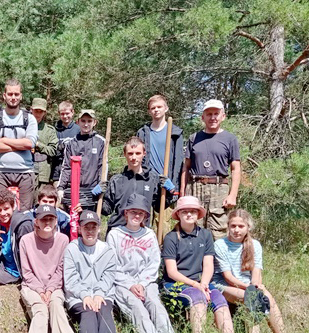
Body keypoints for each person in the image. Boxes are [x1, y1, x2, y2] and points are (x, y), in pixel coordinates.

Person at [213, 209, 293, 333]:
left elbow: (256, 272)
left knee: (267, 298)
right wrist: (250, 289)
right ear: (228, 226)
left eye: (241, 226)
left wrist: (255, 285)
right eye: (233, 226)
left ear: (248, 227)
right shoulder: (220, 244)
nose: (236, 230)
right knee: (250, 297)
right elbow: (228, 276)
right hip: (225, 285)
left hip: (248, 285)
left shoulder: (254, 245)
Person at [107, 194, 181, 333]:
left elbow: (154, 263)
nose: (136, 216)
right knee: (137, 308)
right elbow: (112, 265)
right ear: (125, 213)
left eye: (140, 213)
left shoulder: (149, 234)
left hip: (146, 282)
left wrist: (141, 283)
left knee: (155, 305)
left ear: (145, 216)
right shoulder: (114, 234)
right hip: (122, 283)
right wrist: (131, 284)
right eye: (133, 212)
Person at [162, 196, 236, 333]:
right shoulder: (171, 238)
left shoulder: (205, 235)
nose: (189, 215)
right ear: (179, 214)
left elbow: (208, 264)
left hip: (201, 281)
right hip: (176, 284)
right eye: (185, 211)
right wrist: (196, 285)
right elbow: (172, 271)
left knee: (219, 300)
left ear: (198, 214)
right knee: (197, 298)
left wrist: (203, 283)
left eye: (192, 211)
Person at [19, 205, 79, 333]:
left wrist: (50, 290)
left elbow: (61, 269)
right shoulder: (25, 241)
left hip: (54, 286)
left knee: (56, 306)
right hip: (32, 286)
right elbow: (27, 272)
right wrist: (40, 291)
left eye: (51, 219)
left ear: (56, 221)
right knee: (40, 309)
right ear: (36, 221)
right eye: (43, 219)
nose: (47, 222)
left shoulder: (63, 240)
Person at [180, 99, 241, 239]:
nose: (212, 117)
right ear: (203, 117)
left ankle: (217, 261)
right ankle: (194, 260)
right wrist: (183, 193)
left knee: (218, 231)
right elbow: (186, 167)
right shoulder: (193, 138)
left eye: (216, 114)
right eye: (209, 114)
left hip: (219, 189)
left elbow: (235, 168)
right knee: (192, 228)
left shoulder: (230, 139)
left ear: (223, 116)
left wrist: (233, 195)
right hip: (195, 188)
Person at [64, 211, 118, 333]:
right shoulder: (72, 249)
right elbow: (70, 278)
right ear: (80, 229)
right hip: (78, 296)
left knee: (104, 310)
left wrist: (99, 293)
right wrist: (85, 295)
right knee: (88, 312)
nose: (90, 232)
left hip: (103, 293)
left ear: (99, 229)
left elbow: (109, 275)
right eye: (86, 228)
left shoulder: (107, 250)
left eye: (93, 227)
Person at [0, 79, 38, 210]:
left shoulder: (30, 119)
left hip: (25, 172)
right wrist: (19, 145)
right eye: (10, 94)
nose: (13, 98)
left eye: (16, 94)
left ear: (21, 96)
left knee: (25, 215)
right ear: (4, 96)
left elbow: (29, 143)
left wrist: (3, 140)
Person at [136, 94, 184, 238]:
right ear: (149, 111)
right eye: (153, 108)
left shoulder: (175, 133)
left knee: (163, 226)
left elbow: (179, 161)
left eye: (159, 107)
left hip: (166, 185)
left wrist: (174, 185)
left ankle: (163, 257)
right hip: (146, 182)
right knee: (142, 222)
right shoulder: (143, 132)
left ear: (166, 108)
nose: (156, 110)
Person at [102, 137, 158, 234]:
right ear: (125, 154)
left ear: (144, 153)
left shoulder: (152, 179)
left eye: (138, 153)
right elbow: (107, 210)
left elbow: (158, 206)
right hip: (118, 231)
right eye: (130, 153)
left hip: (141, 233)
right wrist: (97, 197)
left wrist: (168, 193)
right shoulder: (117, 180)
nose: (134, 157)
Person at [57, 110, 106, 211]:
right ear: (78, 122)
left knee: (88, 223)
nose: (86, 124)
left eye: (89, 121)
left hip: (91, 192)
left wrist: (102, 183)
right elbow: (66, 166)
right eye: (83, 121)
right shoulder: (71, 143)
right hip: (73, 190)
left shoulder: (100, 142)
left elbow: (103, 166)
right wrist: (61, 187)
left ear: (94, 122)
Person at [30, 98, 58, 189]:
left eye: (40, 111)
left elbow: (53, 150)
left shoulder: (49, 131)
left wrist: (38, 145)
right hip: (26, 171)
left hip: (43, 173)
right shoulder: (24, 127)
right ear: (31, 110)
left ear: (44, 112)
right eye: (36, 111)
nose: (38, 114)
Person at [52, 101, 80, 184]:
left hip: (74, 168)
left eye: (67, 113)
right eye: (62, 114)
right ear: (59, 114)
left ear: (72, 112)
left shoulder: (78, 129)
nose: (65, 116)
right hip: (58, 169)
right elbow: (52, 150)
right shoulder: (55, 130)